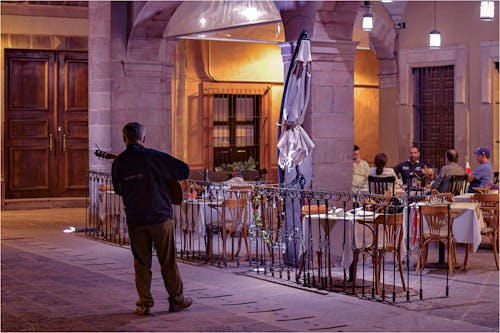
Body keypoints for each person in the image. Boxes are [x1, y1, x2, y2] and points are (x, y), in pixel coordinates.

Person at [111, 122, 193, 315]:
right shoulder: (154, 157)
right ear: (143, 138)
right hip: (160, 217)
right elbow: (183, 169)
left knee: (141, 262)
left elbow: (118, 189)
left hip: (136, 219)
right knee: (168, 261)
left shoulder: (119, 162)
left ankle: (145, 303)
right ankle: (177, 300)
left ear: (125, 139)